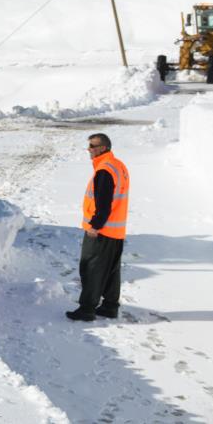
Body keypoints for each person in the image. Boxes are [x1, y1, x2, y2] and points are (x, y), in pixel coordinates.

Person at [66, 133, 130, 322]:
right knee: (111, 270)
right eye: (89, 146)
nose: (89, 150)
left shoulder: (104, 170)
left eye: (93, 146)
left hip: (102, 231)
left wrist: (95, 226)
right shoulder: (118, 165)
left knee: (91, 268)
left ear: (103, 148)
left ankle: (87, 309)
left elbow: (103, 204)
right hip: (116, 230)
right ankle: (110, 307)